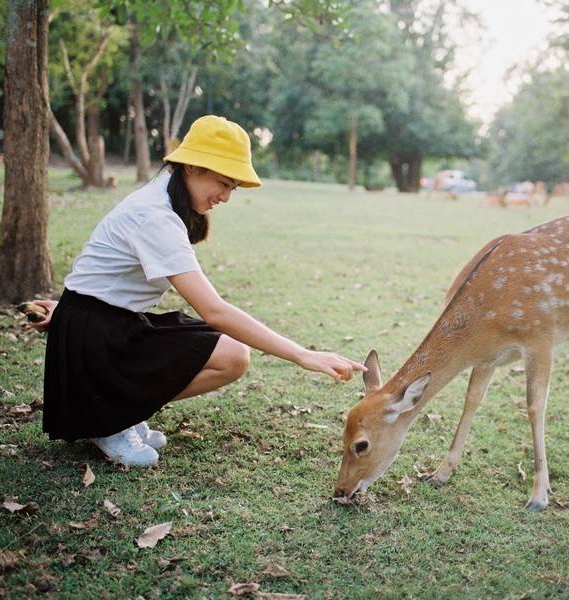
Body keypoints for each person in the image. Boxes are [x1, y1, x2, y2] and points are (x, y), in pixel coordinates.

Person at [28, 115, 365, 467]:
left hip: (106, 322)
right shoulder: (155, 215)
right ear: (191, 167)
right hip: (97, 333)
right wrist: (302, 355)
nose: (226, 196)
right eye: (222, 182)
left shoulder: (164, 200)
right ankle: (109, 419)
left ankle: (121, 409)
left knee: (232, 353)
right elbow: (214, 311)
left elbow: (105, 272)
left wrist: (68, 309)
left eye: (232, 187)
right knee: (231, 354)